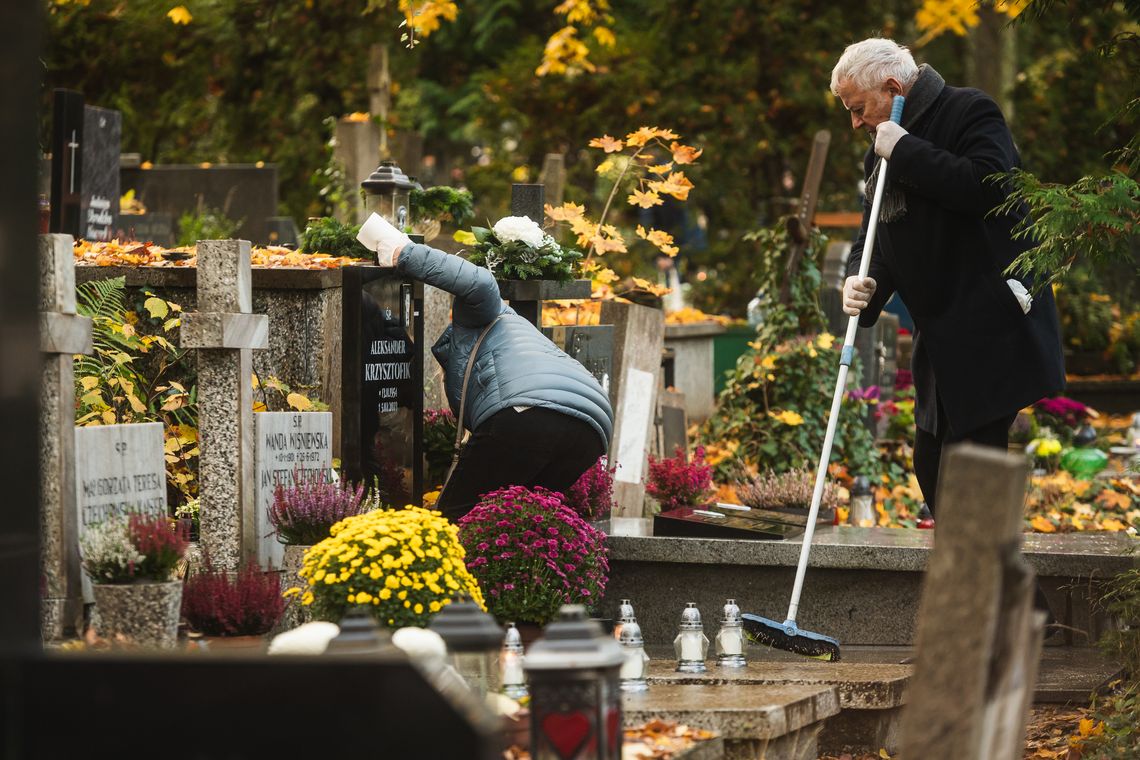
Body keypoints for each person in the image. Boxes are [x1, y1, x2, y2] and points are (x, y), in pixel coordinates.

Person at [831, 38, 1065, 513]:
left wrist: (907, 151)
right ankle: (993, 585)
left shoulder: (970, 110)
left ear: (894, 87)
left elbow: (986, 187)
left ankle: (986, 585)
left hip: (989, 329)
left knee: (968, 484)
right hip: (939, 341)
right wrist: (860, 280)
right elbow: (873, 233)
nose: (854, 122)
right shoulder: (879, 149)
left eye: (858, 108)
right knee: (932, 465)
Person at [358, 213, 614, 523]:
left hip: (528, 411)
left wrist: (403, 252)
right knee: (514, 523)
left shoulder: (484, 314)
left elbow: (479, 282)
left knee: (454, 518)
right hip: (592, 429)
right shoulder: (515, 336)